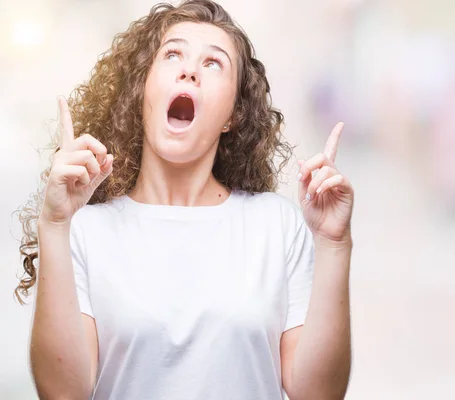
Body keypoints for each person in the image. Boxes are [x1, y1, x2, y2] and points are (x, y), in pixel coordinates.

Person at [14, 1, 354, 399]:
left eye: (214, 63)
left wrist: (334, 244)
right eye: (173, 54)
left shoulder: (277, 225)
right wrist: (54, 226)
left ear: (233, 115)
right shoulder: (84, 229)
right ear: (143, 92)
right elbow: (63, 393)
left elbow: (318, 394)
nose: (189, 69)